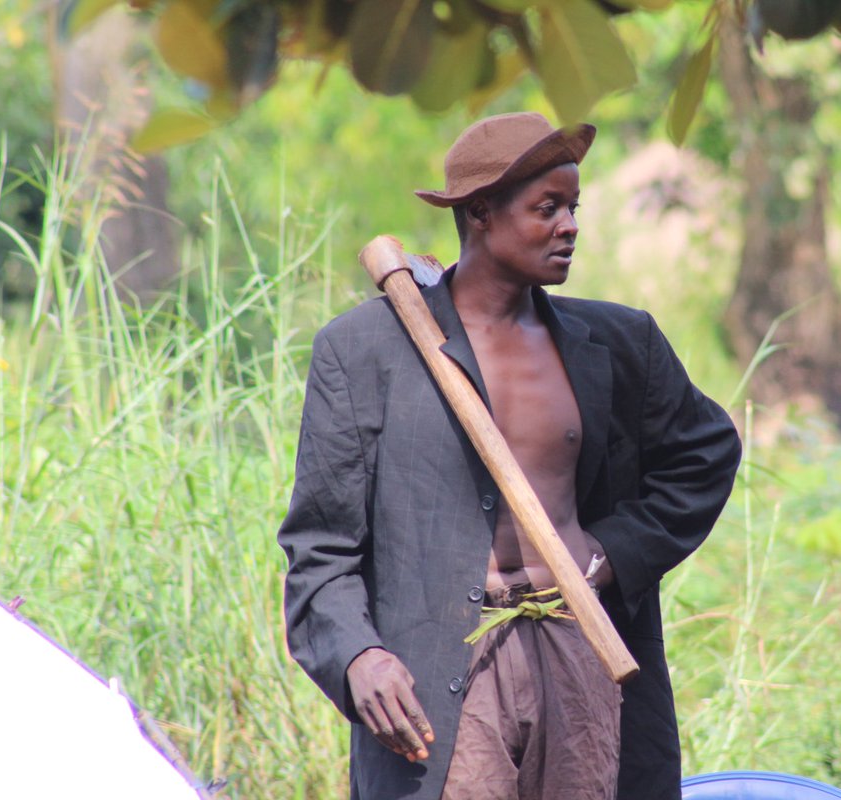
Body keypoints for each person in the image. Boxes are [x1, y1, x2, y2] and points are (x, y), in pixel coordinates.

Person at [278, 112, 741, 800]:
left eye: (573, 207)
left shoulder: (617, 342)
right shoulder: (366, 351)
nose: (571, 226)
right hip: (440, 665)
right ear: (480, 213)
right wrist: (359, 655)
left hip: (581, 644)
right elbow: (321, 544)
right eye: (547, 208)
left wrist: (609, 554)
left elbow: (706, 453)